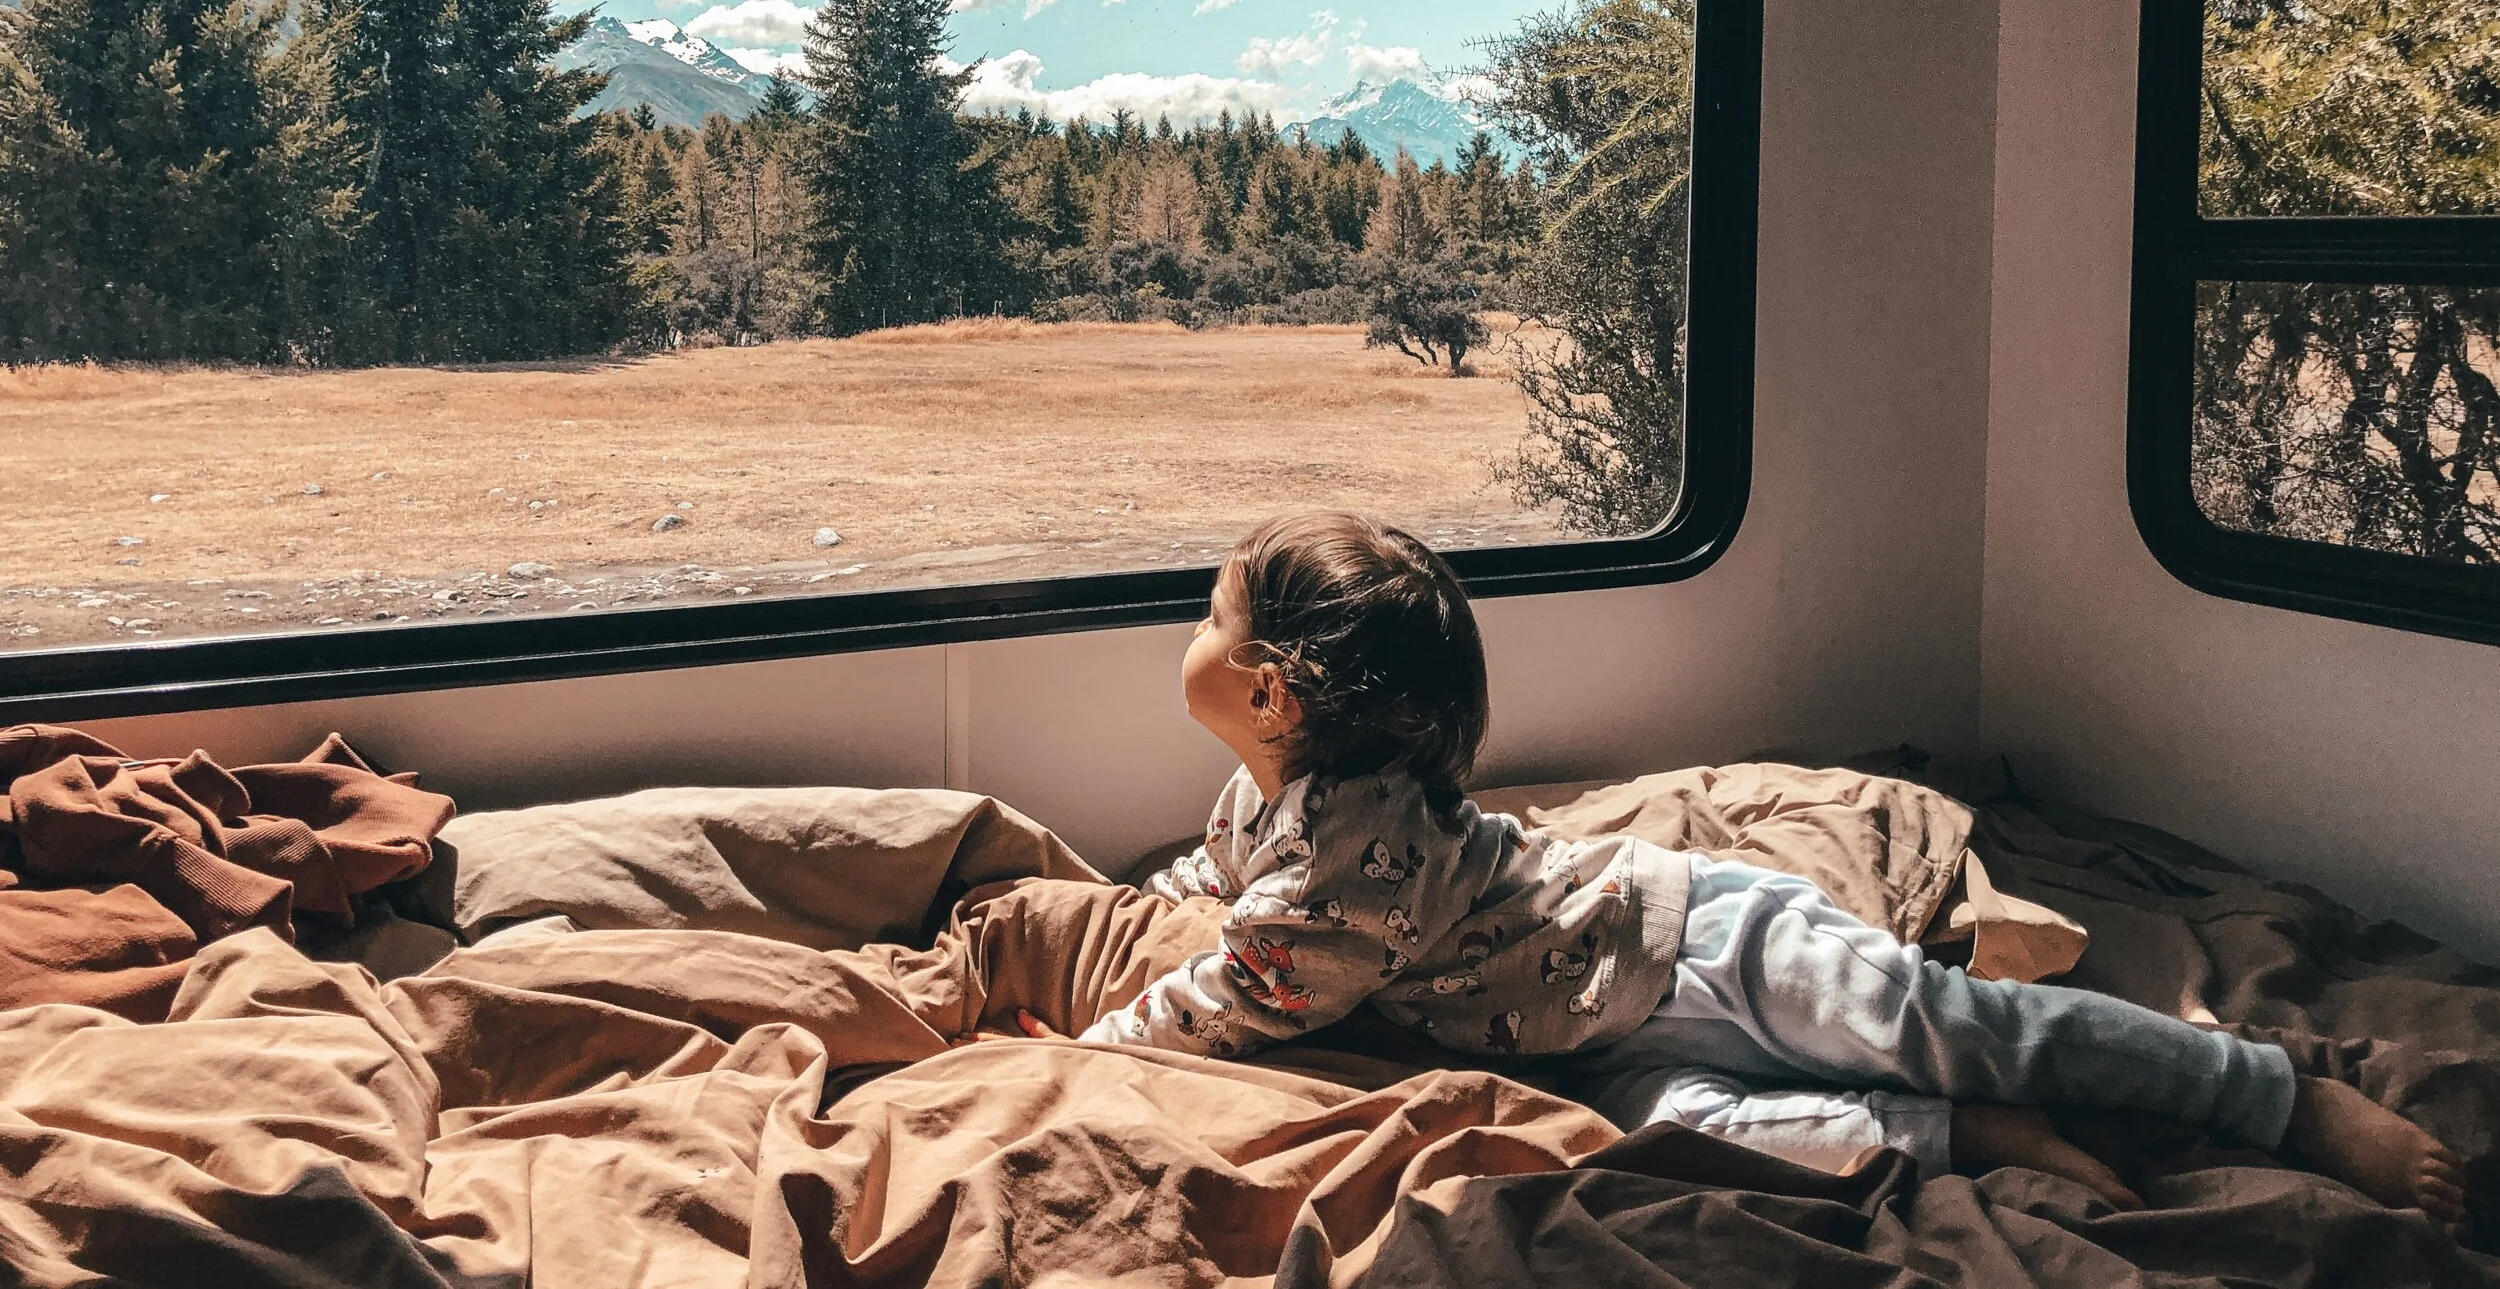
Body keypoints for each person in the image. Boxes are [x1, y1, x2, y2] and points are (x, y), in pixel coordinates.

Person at [1020, 509, 2467, 1236]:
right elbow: (1232, 884)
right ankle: (1970, 1138)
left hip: (1698, 940)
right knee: (1695, 1132)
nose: (1191, 632)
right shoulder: (1273, 799)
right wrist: (1181, 899)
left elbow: (1238, 994)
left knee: (1966, 1020)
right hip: (1583, 1036)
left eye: (1209, 615)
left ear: (1270, 690)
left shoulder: (1354, 865)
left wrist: (1089, 1049)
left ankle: (2275, 1095)